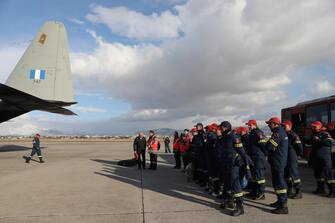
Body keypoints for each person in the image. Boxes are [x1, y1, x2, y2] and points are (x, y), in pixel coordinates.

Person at [219, 121, 248, 216]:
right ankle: (229, 201)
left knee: (235, 184)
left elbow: (241, 151)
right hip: (226, 164)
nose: (220, 129)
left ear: (226, 127)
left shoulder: (233, 136)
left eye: (221, 128)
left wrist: (246, 163)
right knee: (227, 184)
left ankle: (240, 207)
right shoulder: (224, 137)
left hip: (233, 165)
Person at [266, 117, 289, 214]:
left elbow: (269, 146)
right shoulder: (279, 132)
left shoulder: (278, 133)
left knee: (279, 183)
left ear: (275, 124)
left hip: (278, 161)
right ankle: (280, 201)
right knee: (277, 182)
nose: (268, 125)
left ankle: (283, 206)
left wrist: (267, 143)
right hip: (277, 161)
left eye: (270, 124)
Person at [310, 121, 335, 197]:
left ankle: (332, 191)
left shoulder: (325, 134)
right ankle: (321, 189)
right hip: (316, 158)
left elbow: (331, 143)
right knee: (318, 175)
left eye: (315, 126)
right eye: (312, 126)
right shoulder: (314, 135)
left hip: (325, 158)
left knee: (328, 175)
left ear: (319, 127)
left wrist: (319, 140)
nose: (313, 128)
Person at [245, 120, 267, 200]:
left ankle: (261, 193)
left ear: (254, 125)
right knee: (254, 176)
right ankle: (254, 191)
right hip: (253, 157)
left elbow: (263, 145)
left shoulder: (258, 133)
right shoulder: (252, 133)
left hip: (258, 158)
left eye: (250, 125)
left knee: (260, 176)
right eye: (248, 125)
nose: (249, 127)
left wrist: (264, 155)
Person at [282, 120, 303, 199]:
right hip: (285, 157)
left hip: (291, 157)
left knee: (294, 175)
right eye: (283, 126)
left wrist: (297, 155)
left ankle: (298, 191)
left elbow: (300, 148)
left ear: (289, 126)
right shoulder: (284, 134)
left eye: (285, 126)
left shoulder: (293, 135)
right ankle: (290, 190)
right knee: (287, 175)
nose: (283, 127)